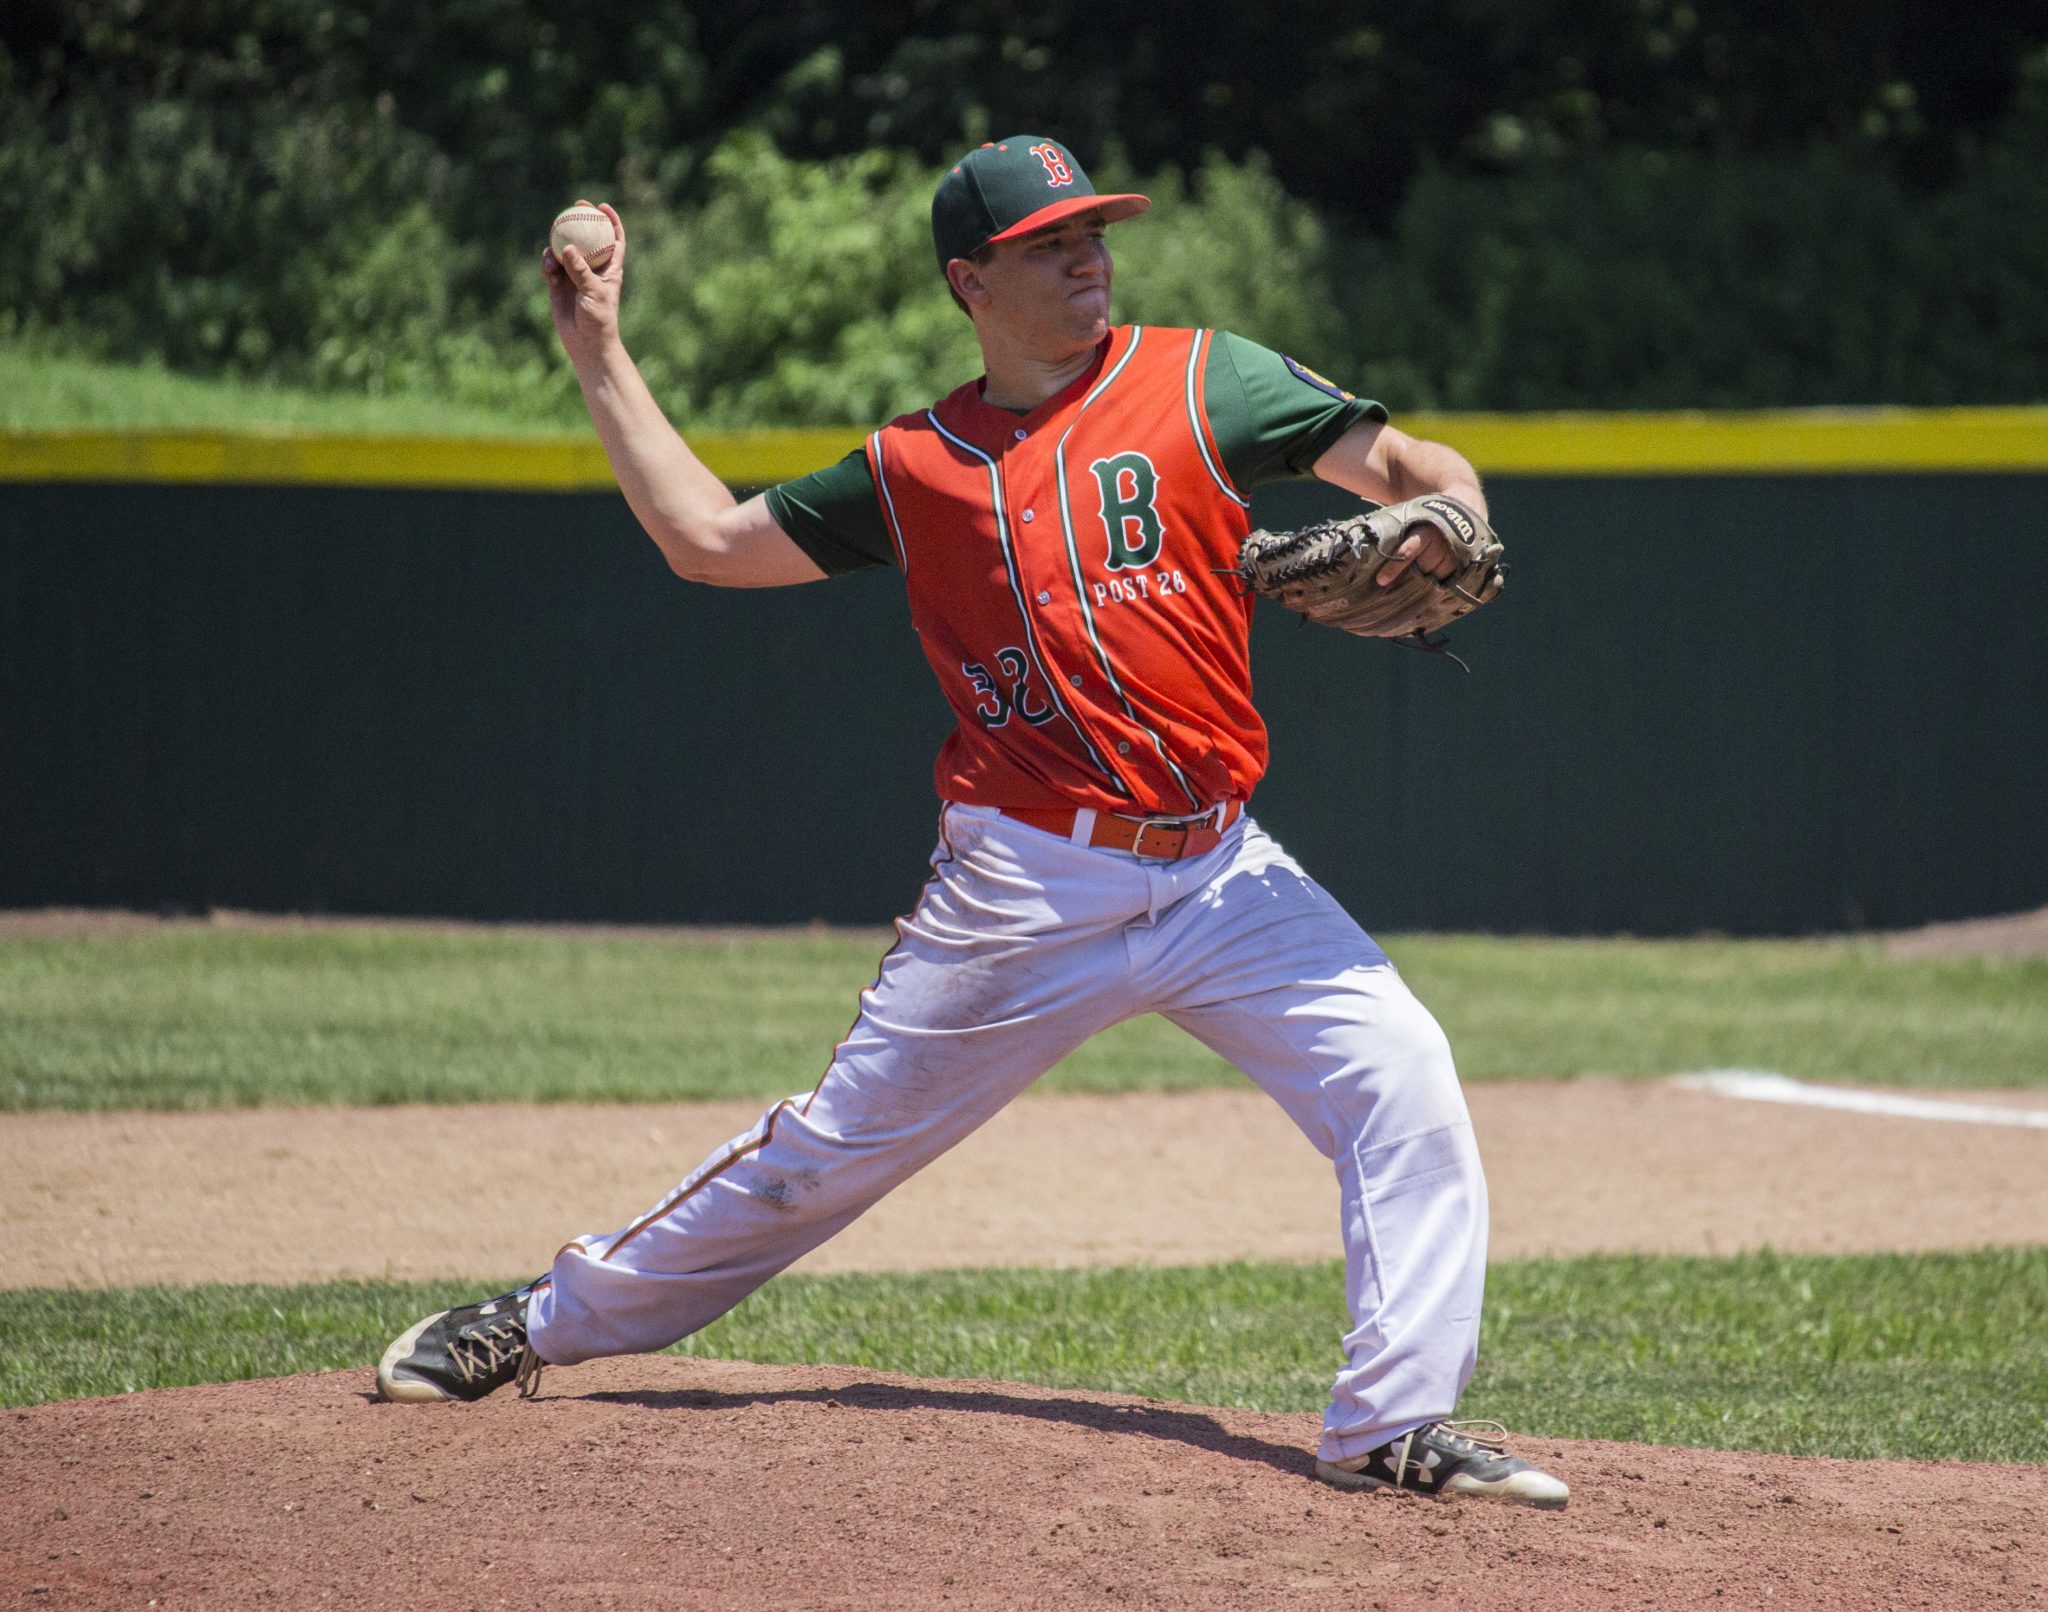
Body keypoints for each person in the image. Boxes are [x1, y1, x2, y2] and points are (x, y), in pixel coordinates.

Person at [375, 135, 1568, 1510]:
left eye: (1096, 230)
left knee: (1402, 1070)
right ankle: (535, 1322)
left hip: (1222, 870)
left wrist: (1447, 511)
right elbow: (704, 539)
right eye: (1049, 242)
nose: (1088, 256)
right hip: (1028, 886)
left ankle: (1387, 1427)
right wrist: (595, 345)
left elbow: (1411, 457)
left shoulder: (1206, 376)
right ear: (969, 281)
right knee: (822, 1160)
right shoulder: (916, 467)